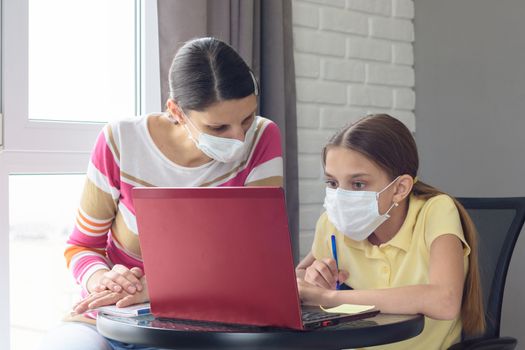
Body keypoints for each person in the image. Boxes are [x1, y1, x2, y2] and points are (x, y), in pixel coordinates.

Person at [37, 37, 283, 350]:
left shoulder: (263, 137)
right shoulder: (120, 140)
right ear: (177, 112)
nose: (239, 137)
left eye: (247, 118)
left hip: (203, 323)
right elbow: (82, 246)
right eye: (219, 128)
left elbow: (254, 261)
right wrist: (102, 280)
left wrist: (155, 289)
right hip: (111, 316)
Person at [296, 114, 485, 349]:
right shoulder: (332, 223)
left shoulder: (435, 211)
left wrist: (329, 299)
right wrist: (313, 278)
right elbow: (300, 276)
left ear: (400, 188)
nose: (340, 197)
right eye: (333, 183)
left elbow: (444, 301)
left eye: (358, 184)